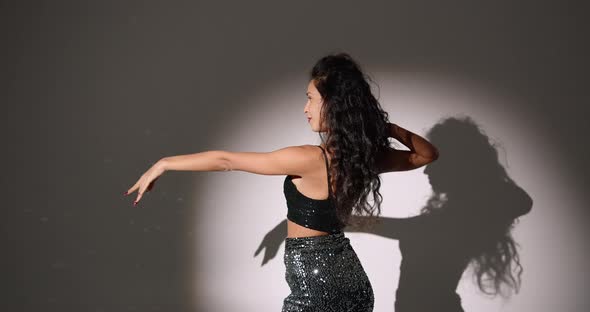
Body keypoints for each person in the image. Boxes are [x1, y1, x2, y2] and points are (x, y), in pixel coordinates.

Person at [124, 52, 439, 312]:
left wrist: (165, 163)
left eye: (310, 99)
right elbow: (426, 154)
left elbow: (227, 161)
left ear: (334, 105)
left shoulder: (308, 158)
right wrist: (386, 127)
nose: (305, 108)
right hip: (354, 284)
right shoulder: (365, 159)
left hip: (315, 289)